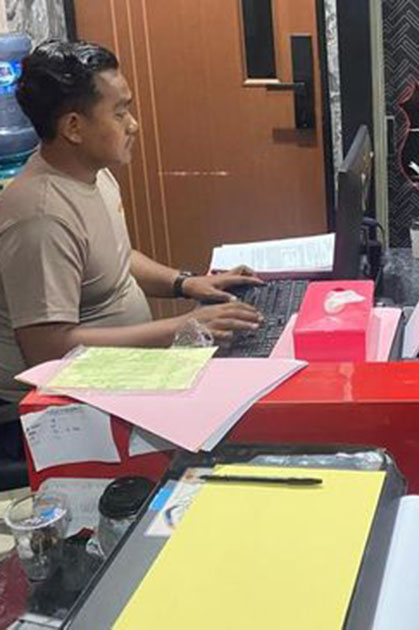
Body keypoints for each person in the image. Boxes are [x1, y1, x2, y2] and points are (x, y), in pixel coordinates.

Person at [0, 41, 263, 452]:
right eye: (119, 112)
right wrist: (182, 327)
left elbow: (116, 258)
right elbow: (47, 352)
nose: (133, 124)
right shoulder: (41, 217)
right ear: (74, 128)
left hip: (118, 378)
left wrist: (187, 283)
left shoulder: (90, 172)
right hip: (60, 412)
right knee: (233, 437)